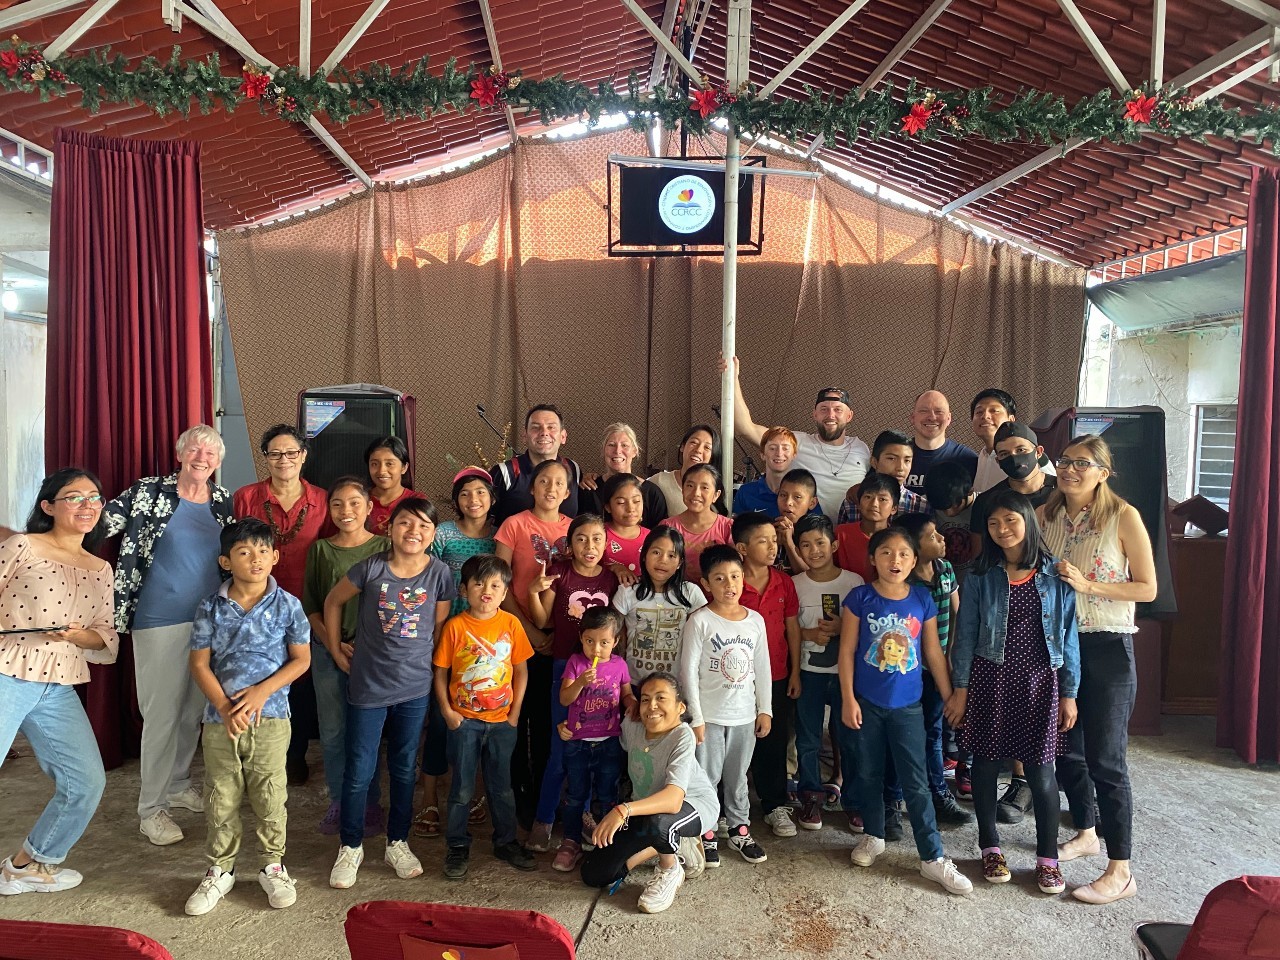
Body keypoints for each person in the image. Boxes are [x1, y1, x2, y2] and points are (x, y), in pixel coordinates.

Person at [102, 424, 234, 846]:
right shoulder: (149, 492)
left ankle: (178, 784)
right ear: (180, 453)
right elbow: (98, 526)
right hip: (157, 620)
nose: (202, 457)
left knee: (192, 711)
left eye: (211, 453)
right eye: (195, 449)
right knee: (160, 716)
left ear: (218, 461)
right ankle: (151, 809)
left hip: (208, 623)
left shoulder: (221, 503)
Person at [1040, 435, 1157, 905]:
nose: (1070, 470)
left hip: (1107, 647)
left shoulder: (1123, 516)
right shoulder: (1047, 516)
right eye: (1064, 462)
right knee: (1067, 749)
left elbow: (1147, 588)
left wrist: (1089, 585)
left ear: (1103, 472)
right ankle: (1086, 830)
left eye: (1081, 463)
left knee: (1107, 760)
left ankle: (1121, 869)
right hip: (1059, 651)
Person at [946, 490, 1080, 897]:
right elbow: (965, 636)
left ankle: (1047, 859)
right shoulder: (982, 577)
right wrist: (960, 690)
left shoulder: (1056, 575)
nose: (1002, 530)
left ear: (1028, 523)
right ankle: (990, 847)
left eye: (1010, 521)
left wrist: (1069, 692)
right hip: (990, 681)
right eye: (993, 524)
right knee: (985, 766)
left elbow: (1070, 636)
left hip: (1041, 683)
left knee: (1041, 773)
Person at [323, 498, 456, 889]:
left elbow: (437, 625)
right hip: (368, 686)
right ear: (389, 528)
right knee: (360, 770)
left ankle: (397, 841)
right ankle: (350, 846)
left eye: (423, 526)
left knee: (403, 768)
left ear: (433, 535)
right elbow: (332, 602)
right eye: (405, 524)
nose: (413, 532)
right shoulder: (371, 568)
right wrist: (334, 648)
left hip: (414, 689)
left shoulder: (440, 574)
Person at [184, 518, 312, 916]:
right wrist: (224, 707)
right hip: (220, 720)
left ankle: (273, 864)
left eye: (262, 551)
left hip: (272, 717)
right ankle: (221, 869)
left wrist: (261, 692)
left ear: (274, 556)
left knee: (270, 793)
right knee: (220, 795)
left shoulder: (288, 605)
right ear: (226, 561)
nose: (254, 559)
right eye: (243, 552)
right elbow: (200, 664)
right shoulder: (211, 606)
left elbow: (301, 660)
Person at [0, 468, 117, 895]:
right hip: (6, 671)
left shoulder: (100, 567)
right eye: (75, 497)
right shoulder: (23, 546)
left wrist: (73, 634)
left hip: (58, 682)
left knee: (86, 781)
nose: (87, 505)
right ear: (49, 506)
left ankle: (30, 863)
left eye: (94, 497)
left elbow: (103, 632)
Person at [838, 527, 971, 896]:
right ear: (872, 558)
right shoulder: (859, 598)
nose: (894, 560)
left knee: (916, 781)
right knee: (868, 772)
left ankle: (933, 857)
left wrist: (949, 697)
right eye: (885, 552)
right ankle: (874, 836)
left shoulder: (921, 600)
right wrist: (848, 698)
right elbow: (846, 652)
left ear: (914, 561)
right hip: (866, 704)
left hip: (908, 708)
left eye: (902, 554)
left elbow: (933, 653)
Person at [234, 424, 332, 785]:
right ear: (265, 458)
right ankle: (255, 755)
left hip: (305, 604)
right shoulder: (246, 497)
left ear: (303, 456)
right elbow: (233, 547)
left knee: (300, 681)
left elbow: (328, 552)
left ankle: (295, 754)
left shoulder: (322, 500)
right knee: (257, 675)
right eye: (275, 453)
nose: (284, 459)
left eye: (291, 452)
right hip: (256, 603)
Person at [433, 554, 537, 879]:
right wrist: (448, 713)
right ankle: (457, 845)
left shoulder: (510, 624)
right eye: (478, 584)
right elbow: (439, 673)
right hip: (464, 722)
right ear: (464, 589)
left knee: (501, 786)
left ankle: (505, 842)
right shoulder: (455, 627)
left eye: (495, 585)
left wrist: (515, 714)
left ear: (505, 592)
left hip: (503, 722)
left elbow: (521, 670)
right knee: (462, 787)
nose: (486, 591)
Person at [580, 671, 718, 915]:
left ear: (680, 707)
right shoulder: (633, 726)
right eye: (645, 699)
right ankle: (674, 844)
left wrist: (623, 809)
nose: (652, 706)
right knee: (595, 874)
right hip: (645, 810)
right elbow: (602, 725)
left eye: (660, 698)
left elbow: (674, 800)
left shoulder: (681, 734)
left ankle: (670, 868)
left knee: (660, 823)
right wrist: (570, 727)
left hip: (691, 805)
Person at [526, 513, 619, 852]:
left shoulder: (612, 579)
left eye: (597, 538)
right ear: (570, 543)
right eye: (581, 539)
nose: (589, 546)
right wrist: (535, 591)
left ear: (606, 543)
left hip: (604, 675)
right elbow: (541, 619)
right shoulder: (560, 573)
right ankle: (544, 819)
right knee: (560, 746)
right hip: (565, 667)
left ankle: (582, 816)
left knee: (593, 746)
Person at [301, 477, 388, 834]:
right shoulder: (321, 550)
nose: (346, 511)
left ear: (369, 507)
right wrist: (335, 648)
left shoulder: (386, 547)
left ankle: (370, 802)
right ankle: (339, 801)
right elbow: (313, 607)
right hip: (328, 652)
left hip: (376, 656)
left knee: (370, 732)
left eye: (355, 503)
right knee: (335, 731)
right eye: (337, 504)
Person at [680, 544, 772, 867]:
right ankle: (705, 831)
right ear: (706, 583)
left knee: (738, 776)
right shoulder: (700, 621)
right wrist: (697, 717)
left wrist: (766, 709)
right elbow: (687, 671)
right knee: (707, 776)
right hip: (710, 717)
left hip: (744, 716)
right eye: (719, 578)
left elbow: (763, 667)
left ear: (743, 577)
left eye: (735, 576)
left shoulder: (755, 621)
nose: (729, 585)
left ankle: (738, 827)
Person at [493, 459, 573, 828]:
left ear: (567, 492)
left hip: (560, 641)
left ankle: (545, 796)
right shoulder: (514, 525)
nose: (551, 488)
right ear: (533, 487)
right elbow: (500, 583)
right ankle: (516, 795)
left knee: (545, 721)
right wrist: (528, 629)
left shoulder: (575, 531)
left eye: (559, 483)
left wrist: (554, 634)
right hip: (516, 635)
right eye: (544, 481)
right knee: (515, 717)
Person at [420, 466, 497, 838]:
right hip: (446, 636)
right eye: (466, 493)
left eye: (481, 492)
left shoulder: (500, 537)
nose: (474, 500)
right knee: (440, 721)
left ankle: (476, 795)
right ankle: (432, 798)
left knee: (480, 720)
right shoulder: (443, 534)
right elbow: (428, 580)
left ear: (492, 498)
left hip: (486, 644)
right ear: (456, 501)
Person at [892, 512, 971, 827]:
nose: (942, 539)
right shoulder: (904, 581)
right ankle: (896, 797)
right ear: (914, 546)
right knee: (903, 734)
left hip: (938, 667)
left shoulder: (945, 569)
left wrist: (954, 659)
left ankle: (938, 794)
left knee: (934, 732)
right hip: (907, 671)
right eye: (933, 535)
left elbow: (958, 614)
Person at [727, 357, 870, 522]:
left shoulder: (862, 449)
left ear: (849, 415)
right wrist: (732, 378)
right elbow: (745, 428)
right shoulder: (795, 441)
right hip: (806, 538)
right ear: (814, 414)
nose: (830, 415)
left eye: (838, 409)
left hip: (848, 537)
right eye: (824, 409)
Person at [789, 514, 862, 832]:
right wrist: (808, 636)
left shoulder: (853, 582)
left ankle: (856, 800)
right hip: (808, 672)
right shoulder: (795, 585)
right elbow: (787, 629)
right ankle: (810, 795)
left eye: (820, 542)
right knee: (807, 738)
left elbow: (866, 629)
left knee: (848, 737)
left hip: (846, 674)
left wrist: (843, 627)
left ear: (833, 545)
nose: (813, 550)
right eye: (805, 544)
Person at [733, 512, 802, 840]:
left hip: (776, 675)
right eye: (764, 541)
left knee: (773, 741)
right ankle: (729, 807)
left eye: (775, 541)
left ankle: (775, 804)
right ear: (742, 548)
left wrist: (795, 673)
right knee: (736, 741)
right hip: (736, 679)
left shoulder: (783, 582)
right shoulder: (730, 583)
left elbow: (792, 629)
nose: (773, 547)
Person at [552, 606, 635, 872]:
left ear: (616, 641)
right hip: (578, 743)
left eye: (604, 642)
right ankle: (571, 842)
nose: (596, 649)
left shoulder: (619, 665)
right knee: (576, 795)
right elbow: (564, 698)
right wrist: (579, 683)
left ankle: (605, 843)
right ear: (581, 637)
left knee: (608, 794)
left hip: (610, 741)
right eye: (590, 641)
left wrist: (635, 705)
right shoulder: (576, 663)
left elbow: (626, 695)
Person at [612, 527, 706, 680]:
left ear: (679, 563)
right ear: (644, 556)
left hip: (675, 684)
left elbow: (702, 639)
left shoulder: (691, 592)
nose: (663, 560)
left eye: (671, 555)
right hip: (634, 683)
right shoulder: (627, 591)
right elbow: (615, 637)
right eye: (656, 552)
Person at [491, 405, 582, 525]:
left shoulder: (573, 469)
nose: (544, 433)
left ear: (563, 436)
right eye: (535, 427)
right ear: (525, 436)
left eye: (551, 427)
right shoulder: (504, 473)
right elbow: (486, 523)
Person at [970, 421, 1057, 536]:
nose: (1014, 458)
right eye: (1004, 454)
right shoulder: (986, 502)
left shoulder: (1063, 492)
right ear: (998, 461)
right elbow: (979, 551)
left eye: (1021, 450)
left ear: (1039, 452)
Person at [579, 423, 667, 529]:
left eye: (624, 445)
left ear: (634, 451)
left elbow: (661, 536)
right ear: (603, 450)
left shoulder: (651, 493)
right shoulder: (589, 488)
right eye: (611, 445)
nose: (617, 451)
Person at [970, 389, 1055, 495]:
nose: (985, 416)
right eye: (979, 412)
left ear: (1011, 419)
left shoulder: (1033, 458)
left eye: (994, 411)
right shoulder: (983, 455)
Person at [838, 430, 930, 524]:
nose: (900, 468)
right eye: (891, 458)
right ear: (874, 462)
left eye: (907, 460)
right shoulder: (853, 502)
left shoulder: (920, 506)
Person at [664, 462, 734, 581]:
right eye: (690, 486)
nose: (696, 493)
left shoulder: (728, 527)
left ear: (716, 495)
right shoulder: (668, 527)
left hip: (717, 597)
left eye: (705, 488)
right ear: (682, 489)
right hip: (678, 595)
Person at [907, 391, 978, 496]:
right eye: (923, 411)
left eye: (939, 411)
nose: (931, 417)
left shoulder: (967, 459)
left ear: (949, 418)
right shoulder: (894, 454)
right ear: (912, 418)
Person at [733, 426, 813, 518]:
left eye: (785, 448)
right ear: (762, 454)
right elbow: (737, 529)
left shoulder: (805, 493)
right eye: (772, 448)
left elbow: (817, 530)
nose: (779, 453)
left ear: (794, 455)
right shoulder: (746, 492)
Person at [835, 471, 898, 583]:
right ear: (858, 504)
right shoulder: (841, 534)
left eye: (882, 499)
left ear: (894, 508)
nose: (874, 504)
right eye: (868, 497)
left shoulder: (899, 539)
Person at [924, 460, 981, 585]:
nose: (949, 513)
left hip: (974, 582)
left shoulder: (984, 505)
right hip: (941, 583)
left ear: (970, 491)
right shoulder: (927, 504)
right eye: (943, 508)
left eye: (955, 505)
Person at [648, 424, 720, 518]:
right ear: (682, 446)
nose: (698, 450)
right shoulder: (660, 481)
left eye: (707, 447)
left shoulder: (714, 488)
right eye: (694, 442)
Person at [597, 473, 650, 581]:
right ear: (608, 507)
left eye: (636, 501)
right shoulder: (598, 535)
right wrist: (613, 567)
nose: (630, 508)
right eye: (621, 502)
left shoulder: (652, 538)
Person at [365, 436, 416, 535]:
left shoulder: (416, 501)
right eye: (374, 464)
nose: (381, 471)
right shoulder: (360, 500)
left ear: (404, 467)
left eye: (389, 464)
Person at [774, 468, 821, 573]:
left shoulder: (817, 535)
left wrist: (789, 543)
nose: (788, 502)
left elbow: (812, 577)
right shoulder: (768, 529)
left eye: (797, 497)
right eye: (783, 495)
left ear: (812, 503)